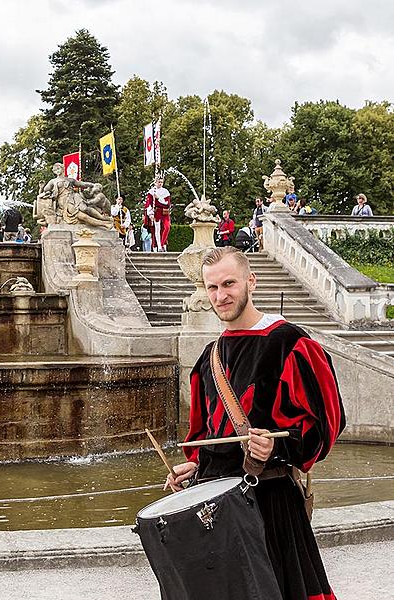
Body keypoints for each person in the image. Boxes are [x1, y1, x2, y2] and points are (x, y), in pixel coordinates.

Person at [166, 246, 345, 600]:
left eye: (229, 283)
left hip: (271, 504)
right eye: (212, 287)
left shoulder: (291, 344)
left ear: (251, 281)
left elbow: (327, 425)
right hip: (217, 505)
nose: (221, 295)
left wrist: (277, 446)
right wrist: (196, 463)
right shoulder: (210, 357)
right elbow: (207, 433)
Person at [145, 177, 171, 251]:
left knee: (167, 227)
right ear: (155, 182)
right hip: (156, 212)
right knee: (157, 229)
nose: (160, 183)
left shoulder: (165, 191)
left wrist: (158, 198)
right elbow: (149, 204)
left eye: (161, 182)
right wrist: (150, 214)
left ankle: (162, 243)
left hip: (165, 212)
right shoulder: (151, 191)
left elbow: (167, 203)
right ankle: (159, 246)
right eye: (158, 182)